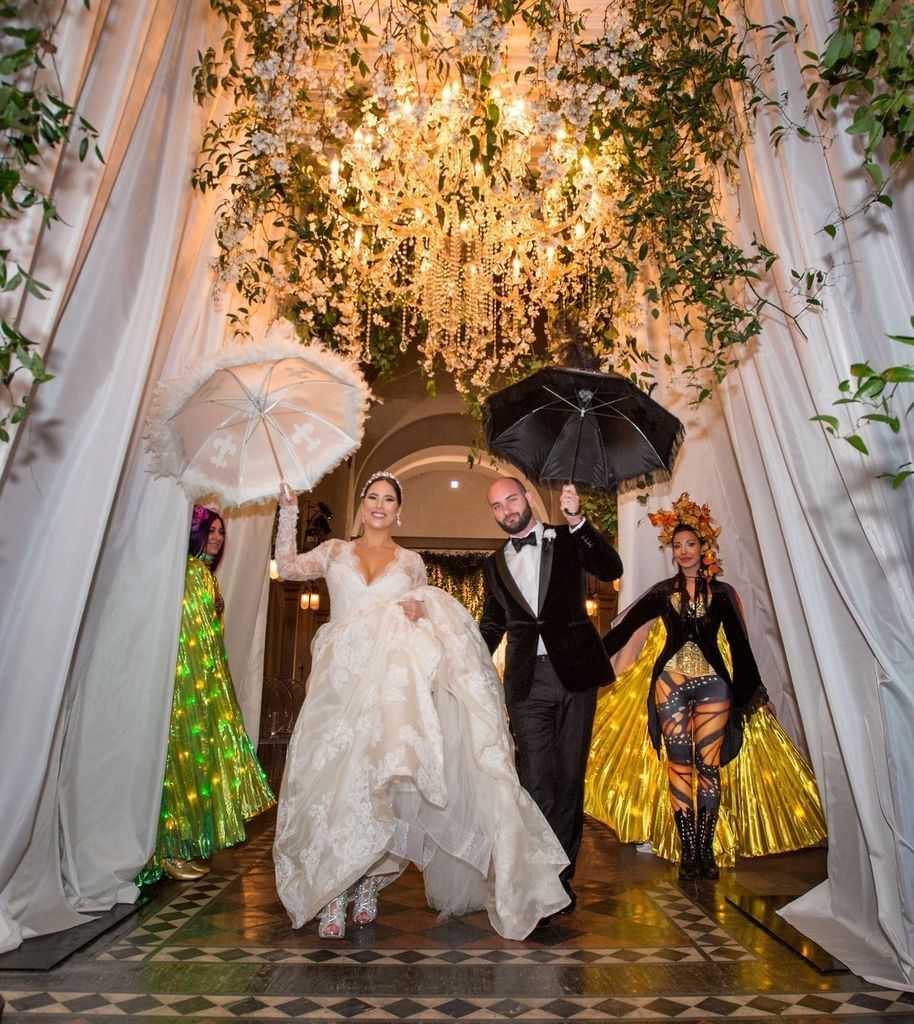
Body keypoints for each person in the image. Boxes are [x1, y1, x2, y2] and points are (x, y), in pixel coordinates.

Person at [272, 472, 570, 940]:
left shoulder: (410, 562)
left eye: (389, 499)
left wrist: (423, 612)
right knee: (332, 780)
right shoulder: (332, 551)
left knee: (382, 782)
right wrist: (289, 509)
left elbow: (428, 620)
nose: (379, 505)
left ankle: (368, 882)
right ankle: (333, 890)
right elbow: (287, 566)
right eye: (372, 496)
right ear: (363, 504)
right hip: (339, 684)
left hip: (390, 691)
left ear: (398, 510)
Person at [599, 494, 774, 881]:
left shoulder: (723, 594)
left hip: (714, 686)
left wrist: (757, 694)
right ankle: (688, 852)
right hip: (670, 686)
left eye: (690, 544)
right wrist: (582, 660)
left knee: (708, 769)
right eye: (677, 546)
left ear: (703, 547)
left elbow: (741, 647)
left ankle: (706, 851)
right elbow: (624, 631)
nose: (683, 551)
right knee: (679, 766)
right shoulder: (663, 592)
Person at [478, 478, 623, 914]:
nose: (506, 509)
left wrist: (579, 520)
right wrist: (460, 658)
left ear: (528, 500)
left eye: (512, 499)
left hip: (576, 674)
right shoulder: (493, 564)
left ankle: (561, 878)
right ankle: (540, 879)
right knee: (536, 780)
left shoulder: (567, 537)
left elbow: (610, 569)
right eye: (497, 505)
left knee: (568, 780)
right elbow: (491, 625)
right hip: (526, 684)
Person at [138, 506, 275, 884]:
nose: (216, 538)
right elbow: (191, 642)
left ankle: (181, 846)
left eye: (220, 533)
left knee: (191, 767)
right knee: (182, 766)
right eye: (210, 531)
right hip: (189, 687)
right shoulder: (192, 574)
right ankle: (169, 847)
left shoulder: (198, 576)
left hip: (198, 685)